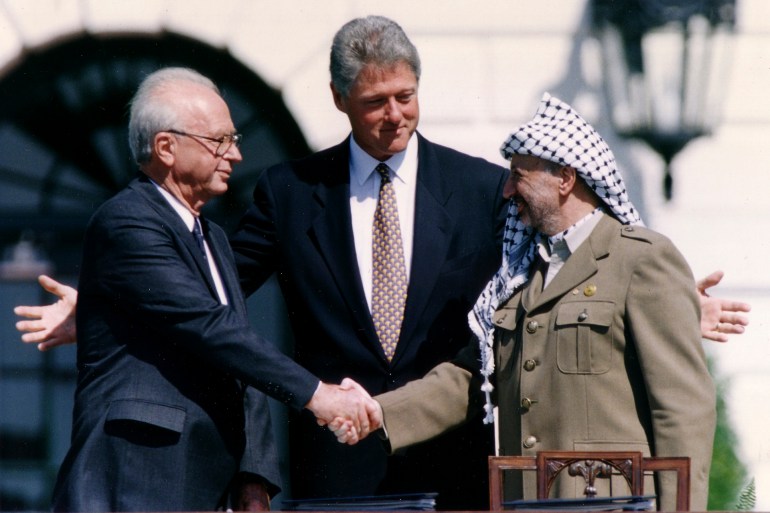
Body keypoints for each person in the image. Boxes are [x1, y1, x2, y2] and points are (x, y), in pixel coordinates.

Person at [14, 16, 749, 511]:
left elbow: (549, 277)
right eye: (375, 102)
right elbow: (213, 292)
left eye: (406, 96)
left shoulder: (480, 185)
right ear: (339, 100)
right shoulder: (290, 191)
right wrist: (108, 302)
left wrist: (676, 304)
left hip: (462, 471)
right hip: (340, 472)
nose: (395, 114)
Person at [335, 93, 718, 511]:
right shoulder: (518, 273)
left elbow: (682, 410)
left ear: (565, 179)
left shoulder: (640, 259)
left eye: (519, 175)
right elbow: (470, 377)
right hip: (525, 502)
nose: (507, 190)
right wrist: (377, 411)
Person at [46, 67, 378, 512]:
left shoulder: (214, 238)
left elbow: (235, 353)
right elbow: (208, 327)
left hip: (206, 482)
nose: (236, 155)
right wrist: (317, 394)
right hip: (137, 478)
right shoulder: (125, 220)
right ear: (166, 147)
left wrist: (254, 476)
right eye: (220, 140)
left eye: (234, 139)